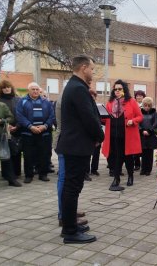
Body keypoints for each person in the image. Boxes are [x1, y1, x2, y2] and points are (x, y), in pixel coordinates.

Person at [56, 55, 104, 244]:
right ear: (83, 68)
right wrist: (100, 135)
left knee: (72, 188)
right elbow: (89, 118)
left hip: (75, 145)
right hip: (76, 146)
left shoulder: (76, 87)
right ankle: (70, 231)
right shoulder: (77, 88)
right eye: (92, 69)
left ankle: (70, 225)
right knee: (72, 188)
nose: (93, 72)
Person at [53, 83, 88, 228]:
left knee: (67, 181)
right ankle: (64, 216)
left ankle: (69, 211)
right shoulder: (69, 95)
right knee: (65, 181)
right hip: (66, 143)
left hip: (65, 141)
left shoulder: (66, 95)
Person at [102, 80, 143, 190]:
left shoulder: (131, 101)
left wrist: (132, 121)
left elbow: (140, 117)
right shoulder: (110, 103)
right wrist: (100, 115)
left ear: (124, 90)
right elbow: (105, 118)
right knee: (116, 158)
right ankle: (116, 178)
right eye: (115, 89)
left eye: (120, 89)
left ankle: (130, 176)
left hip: (127, 135)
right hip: (114, 135)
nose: (117, 91)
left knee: (128, 157)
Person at [16, 82, 55, 183]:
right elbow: (20, 116)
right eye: (33, 89)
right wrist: (30, 126)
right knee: (28, 155)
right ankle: (29, 175)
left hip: (44, 133)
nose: (35, 91)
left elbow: (52, 115)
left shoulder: (46, 102)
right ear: (28, 90)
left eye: (37, 89)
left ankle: (43, 174)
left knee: (44, 154)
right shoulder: (22, 101)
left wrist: (45, 126)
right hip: (28, 133)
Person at [0, 80, 23, 178]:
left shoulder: (18, 99)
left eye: (8, 87)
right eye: (4, 87)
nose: (7, 89)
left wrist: (17, 126)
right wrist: (6, 125)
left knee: (16, 151)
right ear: (1, 89)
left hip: (18, 128)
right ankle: (6, 173)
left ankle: (17, 172)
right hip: (3, 129)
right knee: (6, 151)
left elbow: (22, 114)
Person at [139, 97, 157, 176]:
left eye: (148, 106)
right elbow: (138, 123)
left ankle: (148, 170)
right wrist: (142, 130)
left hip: (151, 135)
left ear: (151, 106)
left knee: (149, 153)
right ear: (143, 105)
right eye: (145, 105)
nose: (147, 107)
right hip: (142, 135)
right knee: (143, 153)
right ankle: (143, 169)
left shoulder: (154, 113)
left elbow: (155, 123)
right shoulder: (140, 112)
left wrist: (149, 131)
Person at [88, 89, 102, 177]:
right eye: (91, 95)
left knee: (96, 152)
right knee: (88, 153)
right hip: (88, 133)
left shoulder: (98, 107)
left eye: (94, 96)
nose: (92, 97)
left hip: (97, 131)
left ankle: (94, 169)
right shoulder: (86, 106)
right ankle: (86, 171)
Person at [133, 90, 146, 171]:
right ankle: (136, 164)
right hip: (135, 128)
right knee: (135, 147)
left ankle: (143, 163)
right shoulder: (133, 105)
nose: (139, 97)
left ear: (143, 97)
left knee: (143, 146)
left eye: (140, 96)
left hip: (143, 129)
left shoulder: (145, 105)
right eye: (137, 96)